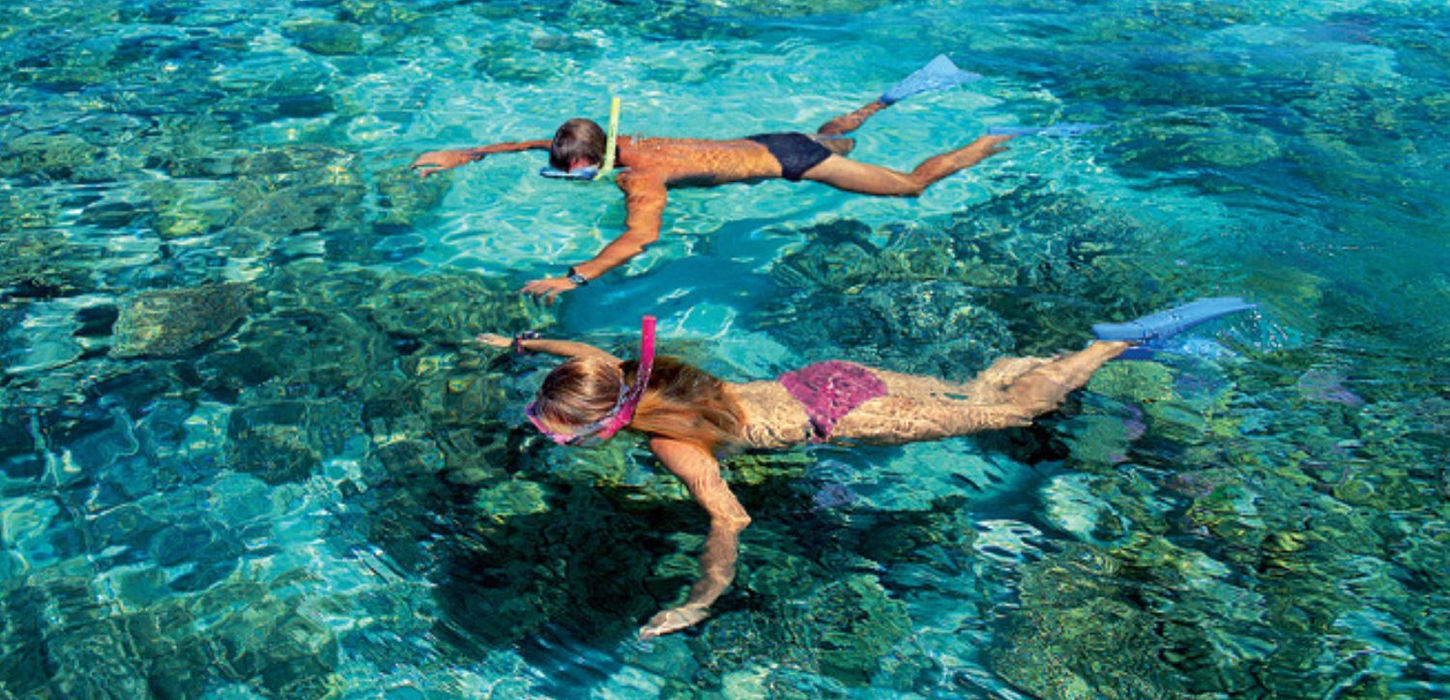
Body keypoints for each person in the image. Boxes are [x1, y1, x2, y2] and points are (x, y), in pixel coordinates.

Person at [474, 303, 1210, 640]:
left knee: (1013, 416)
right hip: (827, 381)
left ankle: (1105, 350)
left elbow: (730, 518)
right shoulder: (622, 373)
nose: (563, 442)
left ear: (611, 419)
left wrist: (701, 599)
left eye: (571, 435)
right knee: (971, 397)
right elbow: (573, 352)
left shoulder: (674, 444)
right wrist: (518, 342)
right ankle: (1041, 364)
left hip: (846, 421)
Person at [411, 56, 1014, 302]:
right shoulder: (613, 141)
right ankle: (884, 101)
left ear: (599, 160)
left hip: (793, 162)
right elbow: (536, 142)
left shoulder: (641, 176)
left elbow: (640, 240)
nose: (572, 177)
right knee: (839, 137)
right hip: (772, 141)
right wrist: (468, 152)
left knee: (908, 186)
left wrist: (575, 278)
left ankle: (988, 142)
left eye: (578, 174)